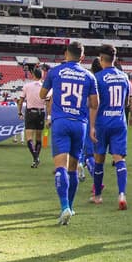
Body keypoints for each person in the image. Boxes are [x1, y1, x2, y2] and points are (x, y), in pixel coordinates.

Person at [40, 43, 98, 225]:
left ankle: (64, 206)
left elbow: (42, 95)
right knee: (73, 167)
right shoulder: (89, 76)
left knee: (60, 167)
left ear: (65, 54)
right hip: (79, 124)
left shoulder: (55, 72)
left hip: (60, 123)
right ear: (82, 57)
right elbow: (95, 103)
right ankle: (71, 207)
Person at [88, 45, 131, 209]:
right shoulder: (124, 77)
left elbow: (94, 104)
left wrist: (91, 126)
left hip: (102, 122)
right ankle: (121, 194)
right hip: (119, 121)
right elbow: (126, 102)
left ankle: (98, 196)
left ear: (101, 59)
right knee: (120, 159)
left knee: (99, 159)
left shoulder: (97, 78)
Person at [19, 66, 49, 168]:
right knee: (38, 138)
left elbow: (21, 100)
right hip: (41, 112)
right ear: (42, 75)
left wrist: (19, 112)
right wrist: (48, 116)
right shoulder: (45, 86)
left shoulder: (27, 86)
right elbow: (48, 102)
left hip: (30, 112)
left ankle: (35, 158)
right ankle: (35, 159)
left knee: (29, 138)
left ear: (33, 75)